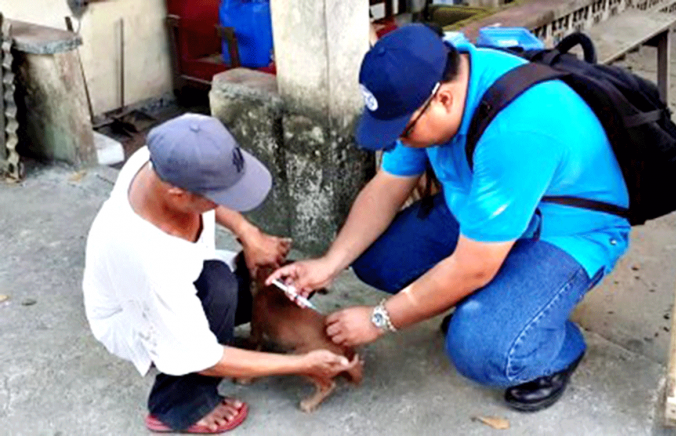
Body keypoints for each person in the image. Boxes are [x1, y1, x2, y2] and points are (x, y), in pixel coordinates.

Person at [267, 24, 630, 412]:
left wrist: (379, 318)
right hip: (485, 212)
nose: (399, 141)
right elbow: (388, 184)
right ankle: (500, 298)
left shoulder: (518, 129)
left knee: (483, 349)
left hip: (563, 232)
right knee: (377, 260)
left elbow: (472, 267)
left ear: (442, 99)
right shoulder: (427, 87)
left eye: (402, 132)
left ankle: (557, 346)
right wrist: (328, 264)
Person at [82, 114, 357, 433]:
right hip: (134, 316)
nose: (225, 202)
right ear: (178, 192)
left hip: (184, 276)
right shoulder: (148, 259)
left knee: (272, 280)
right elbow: (202, 357)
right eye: (218, 195)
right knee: (219, 286)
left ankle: (223, 322)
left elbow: (213, 197)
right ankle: (178, 405)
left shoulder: (164, 156)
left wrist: (248, 234)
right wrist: (300, 363)